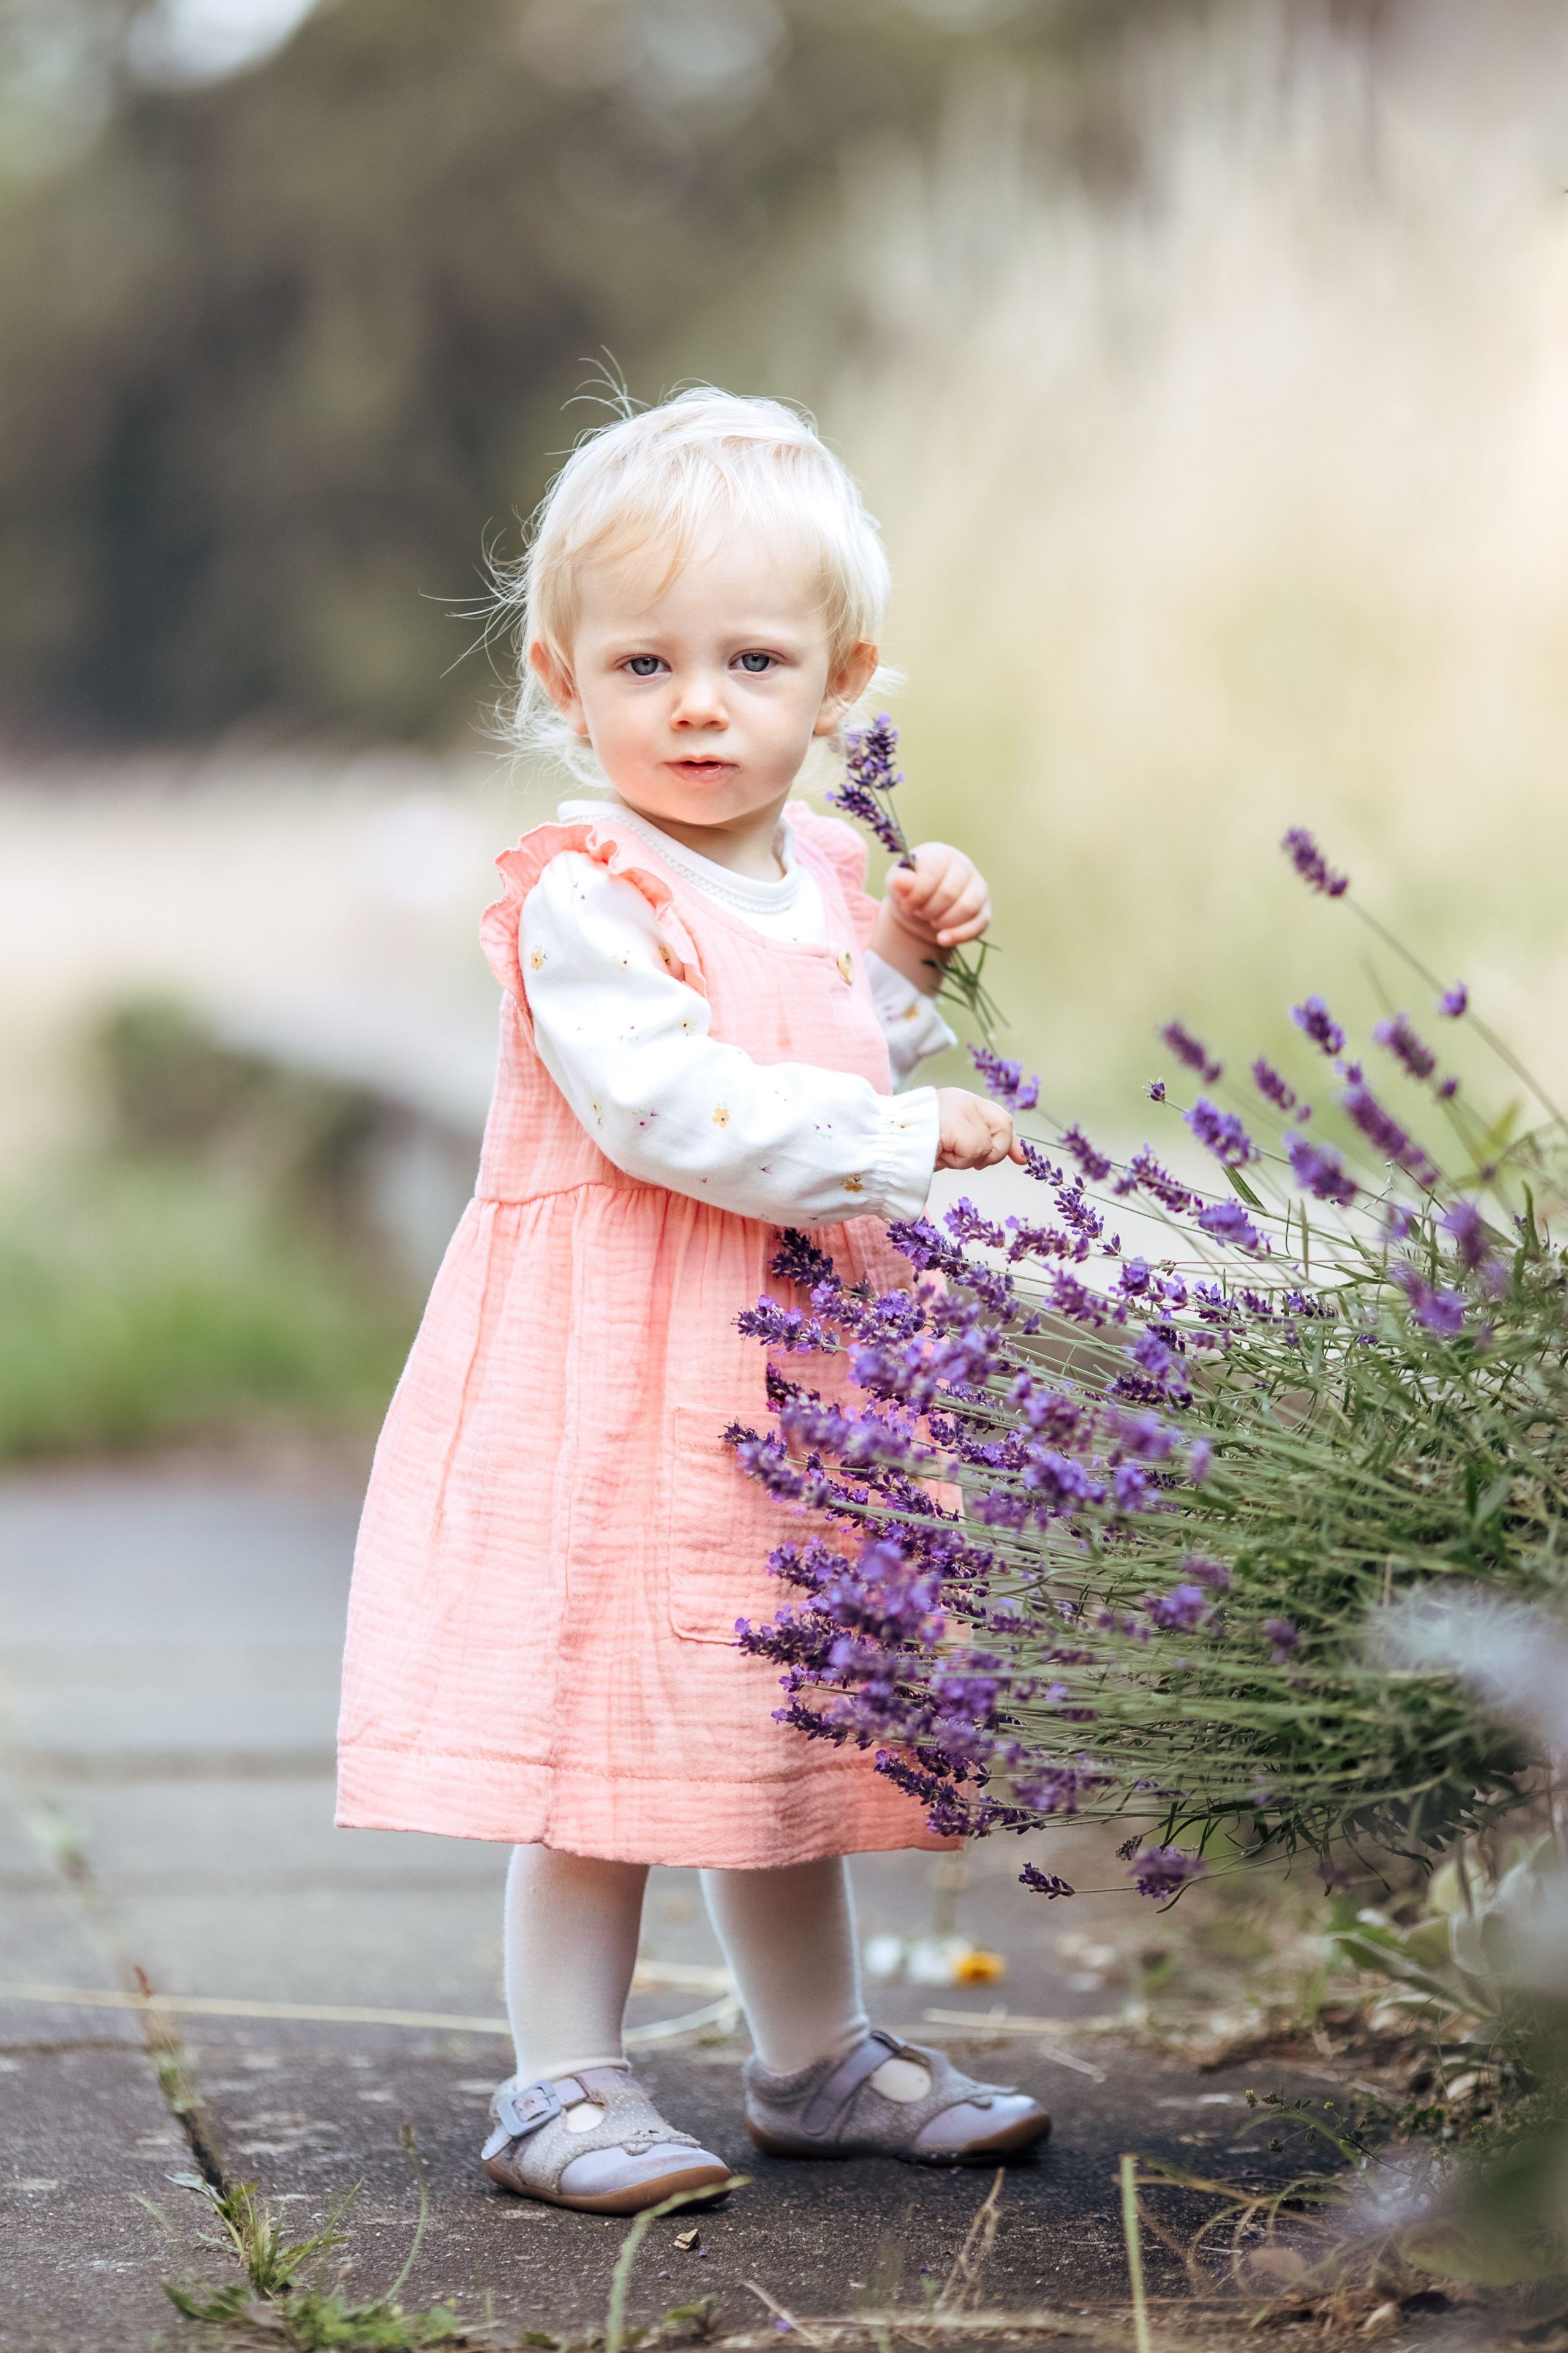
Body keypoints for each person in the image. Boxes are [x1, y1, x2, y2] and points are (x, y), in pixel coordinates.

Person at [336, 390, 1052, 2215]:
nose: (702, 703)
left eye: (751, 659)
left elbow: (804, 1039)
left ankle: (814, 2058)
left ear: (841, 679)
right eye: (646, 662)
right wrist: (896, 1138)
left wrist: (895, 964)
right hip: (624, 1377)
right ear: (565, 681)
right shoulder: (588, 890)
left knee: (779, 1711)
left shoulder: (812, 868)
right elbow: (671, 1105)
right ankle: (557, 2080)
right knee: (608, 1729)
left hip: (798, 1379)